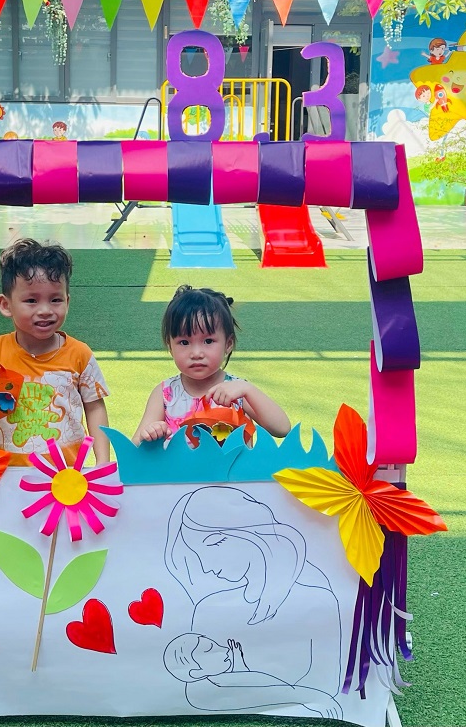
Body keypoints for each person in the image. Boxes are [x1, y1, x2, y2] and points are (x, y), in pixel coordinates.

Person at [0, 238, 110, 466]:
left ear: (67, 301)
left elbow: (94, 407)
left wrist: (103, 461)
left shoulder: (79, 354)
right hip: (5, 473)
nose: (45, 310)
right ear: (6, 305)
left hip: (66, 476)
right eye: (31, 300)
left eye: (56, 300)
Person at [165, 486, 343, 694]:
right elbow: (197, 695)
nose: (205, 567)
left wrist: (241, 683)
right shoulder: (207, 609)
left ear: (244, 533)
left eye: (210, 545)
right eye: (196, 555)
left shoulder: (317, 601)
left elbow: (327, 689)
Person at [133, 285, 290, 445]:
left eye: (208, 341)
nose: (196, 353)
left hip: (232, 463)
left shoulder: (238, 390)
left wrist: (248, 389)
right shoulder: (165, 393)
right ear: (170, 346)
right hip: (177, 463)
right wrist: (150, 434)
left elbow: (282, 429)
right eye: (184, 342)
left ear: (228, 344)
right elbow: (135, 446)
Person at [163, 632, 342, 718]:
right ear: (196, 673)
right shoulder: (203, 695)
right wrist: (241, 673)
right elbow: (281, 692)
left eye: (214, 645)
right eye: (210, 650)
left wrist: (240, 671)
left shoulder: (220, 681)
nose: (223, 649)